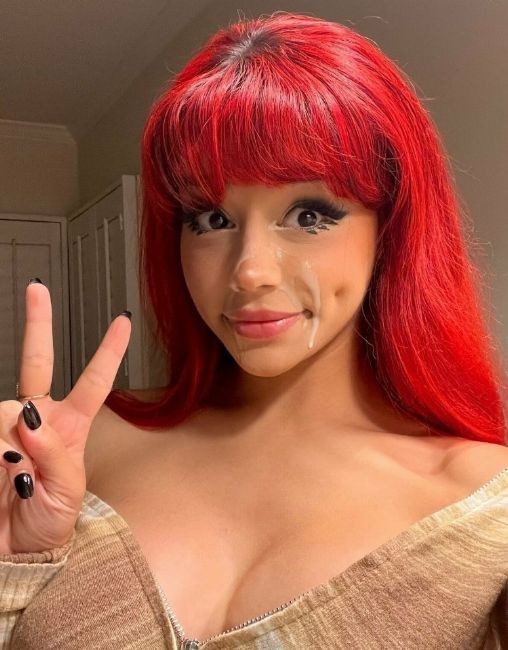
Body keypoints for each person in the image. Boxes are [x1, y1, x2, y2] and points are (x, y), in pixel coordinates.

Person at [1, 11, 507, 650]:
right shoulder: (82, 449)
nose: (249, 271)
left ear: (391, 229)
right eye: (211, 219)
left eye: (309, 215)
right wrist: (14, 565)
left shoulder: (484, 508)